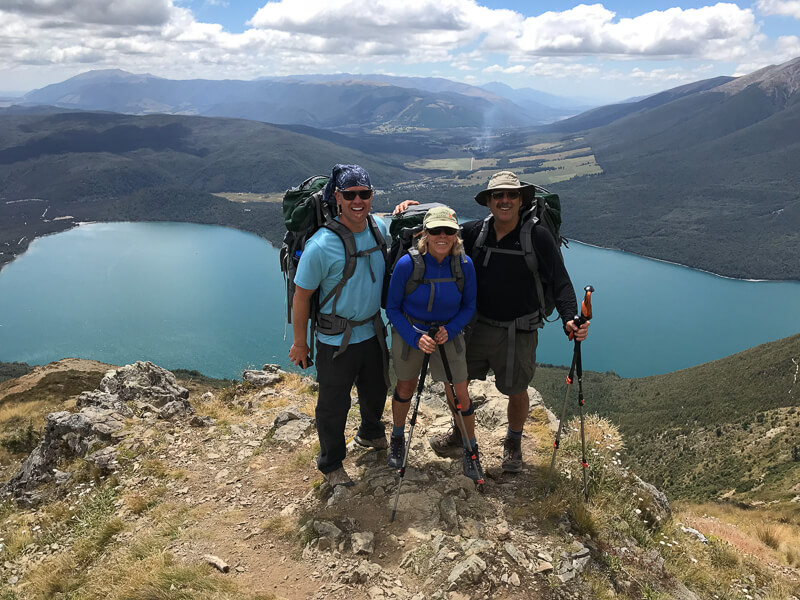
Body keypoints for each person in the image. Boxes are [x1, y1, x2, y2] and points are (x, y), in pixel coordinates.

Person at [395, 171, 589, 473]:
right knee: (455, 383)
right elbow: (439, 234)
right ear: (488, 202)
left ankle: (513, 442)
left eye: (511, 195)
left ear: (522, 199)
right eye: (498, 195)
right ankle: (461, 433)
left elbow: (561, 282)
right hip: (476, 325)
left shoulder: (537, 237)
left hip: (519, 328)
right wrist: (411, 210)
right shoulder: (475, 233)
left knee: (516, 389)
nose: (505, 200)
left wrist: (569, 319)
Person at [289, 164, 390, 488]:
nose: (358, 200)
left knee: (376, 390)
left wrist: (407, 210)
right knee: (333, 405)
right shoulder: (321, 246)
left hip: (372, 332)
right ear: (337, 197)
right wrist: (300, 343)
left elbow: (403, 229)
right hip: (335, 340)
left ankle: (371, 433)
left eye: (365, 194)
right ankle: (331, 464)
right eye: (350, 195)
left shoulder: (379, 229)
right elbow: (301, 297)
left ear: (372, 196)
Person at [384, 206, 481, 480]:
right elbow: (392, 308)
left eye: (448, 231)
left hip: (447, 333)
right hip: (411, 331)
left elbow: (469, 306)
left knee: (459, 394)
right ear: (425, 234)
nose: (442, 236)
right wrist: (414, 336)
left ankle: (470, 448)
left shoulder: (464, 265)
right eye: (436, 230)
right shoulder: (408, 264)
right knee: (405, 386)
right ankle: (398, 437)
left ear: (456, 235)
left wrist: (450, 330)